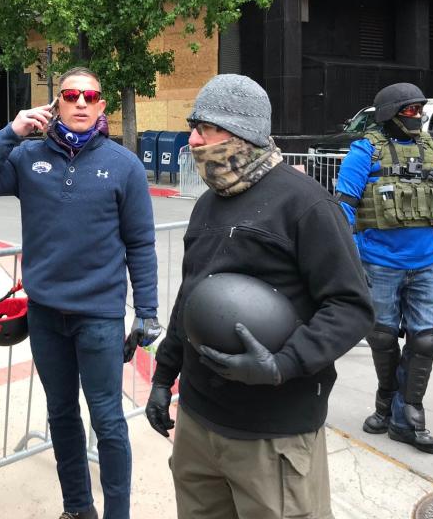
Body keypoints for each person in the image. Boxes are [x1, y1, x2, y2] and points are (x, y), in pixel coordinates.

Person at [146, 74, 373, 519]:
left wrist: (281, 365)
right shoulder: (208, 203)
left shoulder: (306, 204)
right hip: (198, 422)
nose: (193, 140)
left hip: (273, 433)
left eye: (204, 128)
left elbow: (352, 306)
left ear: (242, 132)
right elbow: (191, 297)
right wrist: (163, 376)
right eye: (194, 126)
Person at [0, 67, 161, 519]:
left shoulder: (123, 164)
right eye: (70, 95)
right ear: (56, 104)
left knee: (108, 422)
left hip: (99, 318)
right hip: (46, 318)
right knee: (62, 417)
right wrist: (11, 131)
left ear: (101, 107)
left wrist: (147, 312)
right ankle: (78, 508)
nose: (79, 103)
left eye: (89, 97)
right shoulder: (27, 158)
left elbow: (141, 244)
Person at [333, 82, 433, 455]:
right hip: (379, 265)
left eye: (419, 111)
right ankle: (386, 405)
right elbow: (343, 209)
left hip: (427, 266)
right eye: (409, 111)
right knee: (381, 336)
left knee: (426, 339)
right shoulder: (364, 152)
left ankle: (408, 416)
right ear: (389, 114)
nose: (416, 118)